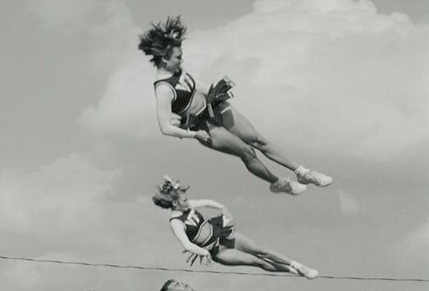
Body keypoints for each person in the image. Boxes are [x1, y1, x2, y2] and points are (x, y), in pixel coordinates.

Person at [137, 16, 332, 196]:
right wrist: (194, 135)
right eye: (178, 57)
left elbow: (195, 84)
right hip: (203, 127)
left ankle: (303, 172)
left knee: (257, 139)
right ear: (164, 59)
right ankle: (279, 183)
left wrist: (217, 92)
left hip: (216, 107)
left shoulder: (178, 70)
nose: (181, 60)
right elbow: (165, 128)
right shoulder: (163, 89)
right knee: (247, 153)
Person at [153, 178, 318, 277]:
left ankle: (298, 265)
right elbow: (187, 245)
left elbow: (210, 203)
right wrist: (204, 253)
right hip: (216, 250)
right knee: (256, 261)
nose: (187, 201)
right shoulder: (175, 222)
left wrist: (224, 209)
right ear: (174, 203)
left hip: (222, 233)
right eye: (183, 200)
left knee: (259, 250)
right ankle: (293, 271)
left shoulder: (187, 204)